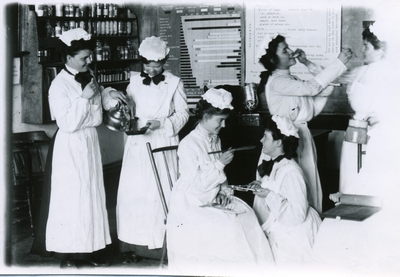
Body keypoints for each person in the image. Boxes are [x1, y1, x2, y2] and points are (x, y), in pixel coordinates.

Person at [311, 21, 400, 275]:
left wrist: (382, 117)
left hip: (380, 135)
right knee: (356, 185)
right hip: (360, 131)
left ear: (381, 49)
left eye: (366, 46)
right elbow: (337, 78)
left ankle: (366, 248)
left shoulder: (385, 72)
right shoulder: (369, 70)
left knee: (373, 185)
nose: (362, 50)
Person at [30, 28, 125, 268]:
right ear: (69, 57)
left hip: (90, 142)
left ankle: (89, 249)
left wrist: (110, 94)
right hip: (70, 146)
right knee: (72, 199)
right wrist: (83, 98)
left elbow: (99, 96)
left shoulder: (88, 74)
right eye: (84, 58)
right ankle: (68, 256)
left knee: (91, 196)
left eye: (89, 56)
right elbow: (67, 123)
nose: (88, 61)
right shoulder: (58, 85)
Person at [166, 88, 274, 276]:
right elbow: (197, 184)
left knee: (247, 214)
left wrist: (223, 191)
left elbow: (220, 177)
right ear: (206, 116)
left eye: (224, 120)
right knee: (230, 226)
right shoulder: (188, 144)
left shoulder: (215, 139)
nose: (223, 125)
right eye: (219, 120)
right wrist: (219, 163)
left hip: (211, 193)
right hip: (190, 200)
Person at [102, 36, 189, 262]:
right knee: (135, 191)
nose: (151, 70)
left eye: (156, 65)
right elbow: (125, 105)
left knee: (159, 190)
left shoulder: (174, 82)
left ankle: (164, 245)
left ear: (164, 62)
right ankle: (133, 245)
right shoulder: (134, 81)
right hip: (137, 142)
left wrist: (163, 123)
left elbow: (183, 114)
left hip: (162, 140)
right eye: (147, 65)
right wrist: (115, 99)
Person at [256, 34, 353, 213]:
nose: (291, 52)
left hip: (302, 138)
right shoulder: (278, 82)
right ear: (272, 59)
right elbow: (313, 87)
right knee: (291, 190)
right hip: (281, 142)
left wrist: (307, 63)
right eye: (285, 50)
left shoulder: (293, 81)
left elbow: (326, 89)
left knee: (307, 184)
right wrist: (338, 63)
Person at [250, 115, 321, 265]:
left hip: (294, 235)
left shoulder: (291, 172)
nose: (261, 140)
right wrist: (262, 185)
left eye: (265, 137)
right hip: (280, 228)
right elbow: (279, 188)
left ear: (278, 142)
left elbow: (297, 215)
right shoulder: (277, 164)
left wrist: (268, 195)